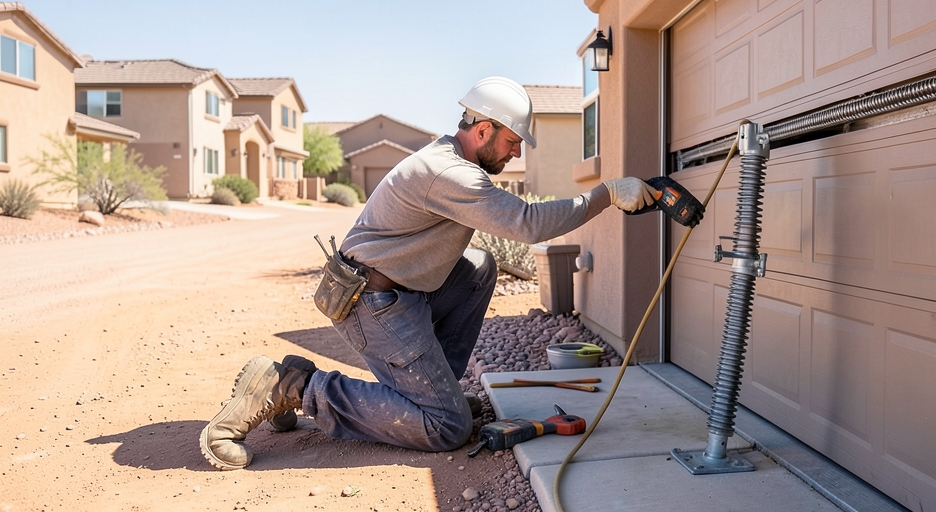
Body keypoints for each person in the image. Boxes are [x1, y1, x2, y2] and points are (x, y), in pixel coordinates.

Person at [200, 76, 656, 470]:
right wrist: (606, 194)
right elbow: (529, 224)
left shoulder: (452, 160)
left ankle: (432, 393)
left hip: (399, 294)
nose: (516, 154)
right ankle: (291, 386)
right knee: (447, 428)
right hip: (370, 303)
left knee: (478, 266)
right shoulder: (450, 174)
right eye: (513, 142)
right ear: (482, 130)